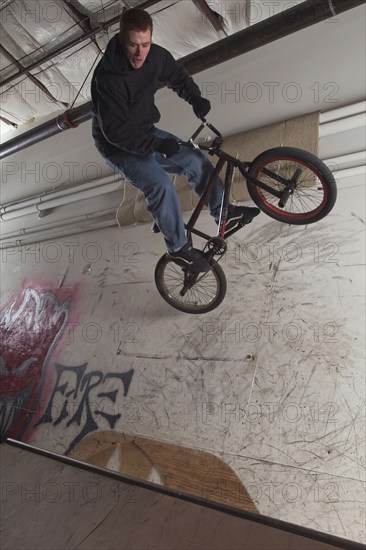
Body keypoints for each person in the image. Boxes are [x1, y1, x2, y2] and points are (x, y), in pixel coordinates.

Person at [91, 7, 260, 272]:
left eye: (145, 44)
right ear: (122, 40)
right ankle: (178, 250)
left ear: (151, 39)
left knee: (194, 160)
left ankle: (223, 212)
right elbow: (117, 131)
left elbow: (177, 77)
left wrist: (195, 99)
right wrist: (156, 145)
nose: (139, 53)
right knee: (160, 186)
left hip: (144, 130)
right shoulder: (108, 77)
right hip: (116, 145)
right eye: (133, 45)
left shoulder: (156, 57)